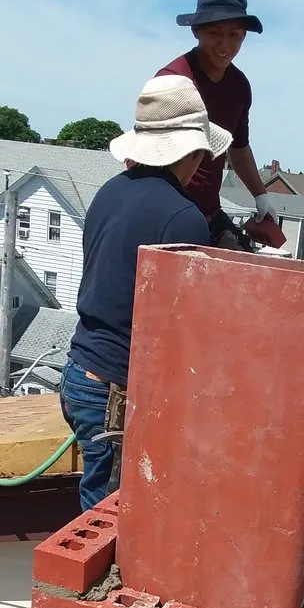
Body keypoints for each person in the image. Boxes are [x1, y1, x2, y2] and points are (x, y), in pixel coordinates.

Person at [60, 75, 233, 512]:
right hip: (115, 392)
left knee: (97, 502)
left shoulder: (109, 191)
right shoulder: (183, 218)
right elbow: (184, 328)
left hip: (80, 374)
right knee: (113, 520)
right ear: (194, 153)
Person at [157, 0, 278, 250]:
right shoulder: (174, 81)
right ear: (196, 30)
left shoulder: (239, 86)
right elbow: (143, 155)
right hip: (166, 213)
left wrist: (260, 195)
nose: (225, 45)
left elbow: (238, 146)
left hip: (209, 212)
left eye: (235, 34)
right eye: (215, 33)